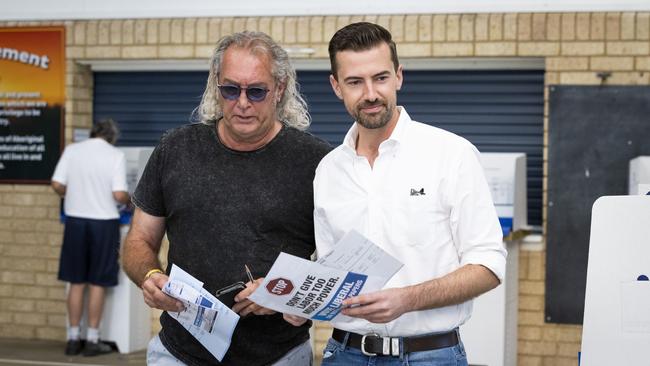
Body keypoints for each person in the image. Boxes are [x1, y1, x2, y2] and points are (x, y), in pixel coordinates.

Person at [291, 22, 507, 365]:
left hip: (431, 355)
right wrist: (304, 304)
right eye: (354, 82)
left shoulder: (451, 154)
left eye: (380, 78)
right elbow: (332, 270)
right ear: (336, 86)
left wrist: (407, 299)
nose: (371, 93)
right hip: (344, 354)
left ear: (399, 77)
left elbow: (489, 265)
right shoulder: (329, 170)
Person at [122, 31, 331, 366]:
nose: (243, 103)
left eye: (256, 91)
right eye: (231, 89)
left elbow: (339, 264)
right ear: (216, 86)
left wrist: (286, 289)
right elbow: (139, 239)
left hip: (280, 356)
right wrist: (149, 277)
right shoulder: (175, 149)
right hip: (179, 354)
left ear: (279, 88)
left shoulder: (318, 162)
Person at [51, 119, 129, 357]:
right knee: (97, 282)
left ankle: (74, 338)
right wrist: (130, 198)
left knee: (76, 282)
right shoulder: (115, 155)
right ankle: (93, 340)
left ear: (93, 133)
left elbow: (56, 184)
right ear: (111, 137)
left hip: (75, 223)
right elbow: (118, 193)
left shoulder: (72, 151)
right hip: (104, 224)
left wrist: (72, 192)